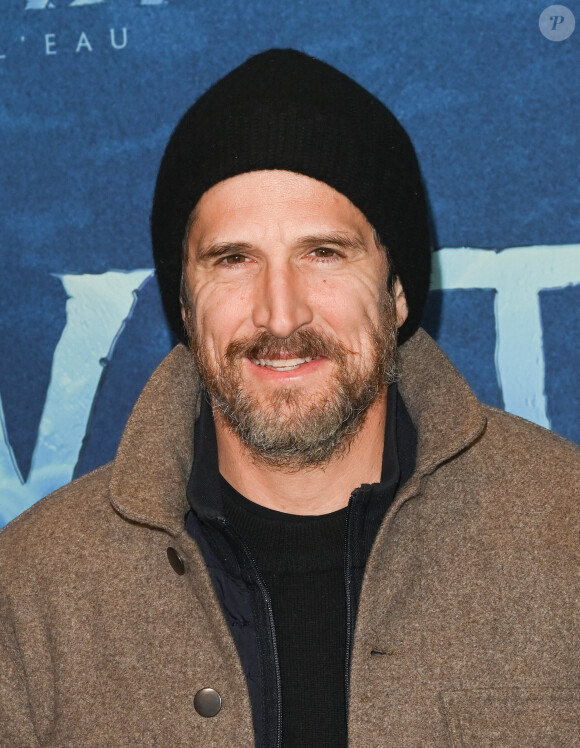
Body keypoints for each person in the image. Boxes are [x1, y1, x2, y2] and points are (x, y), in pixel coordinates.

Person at [0, 49, 578, 748]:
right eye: (234, 260)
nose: (281, 315)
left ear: (397, 292)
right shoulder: (30, 594)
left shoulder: (564, 532)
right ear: (184, 306)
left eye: (324, 253)